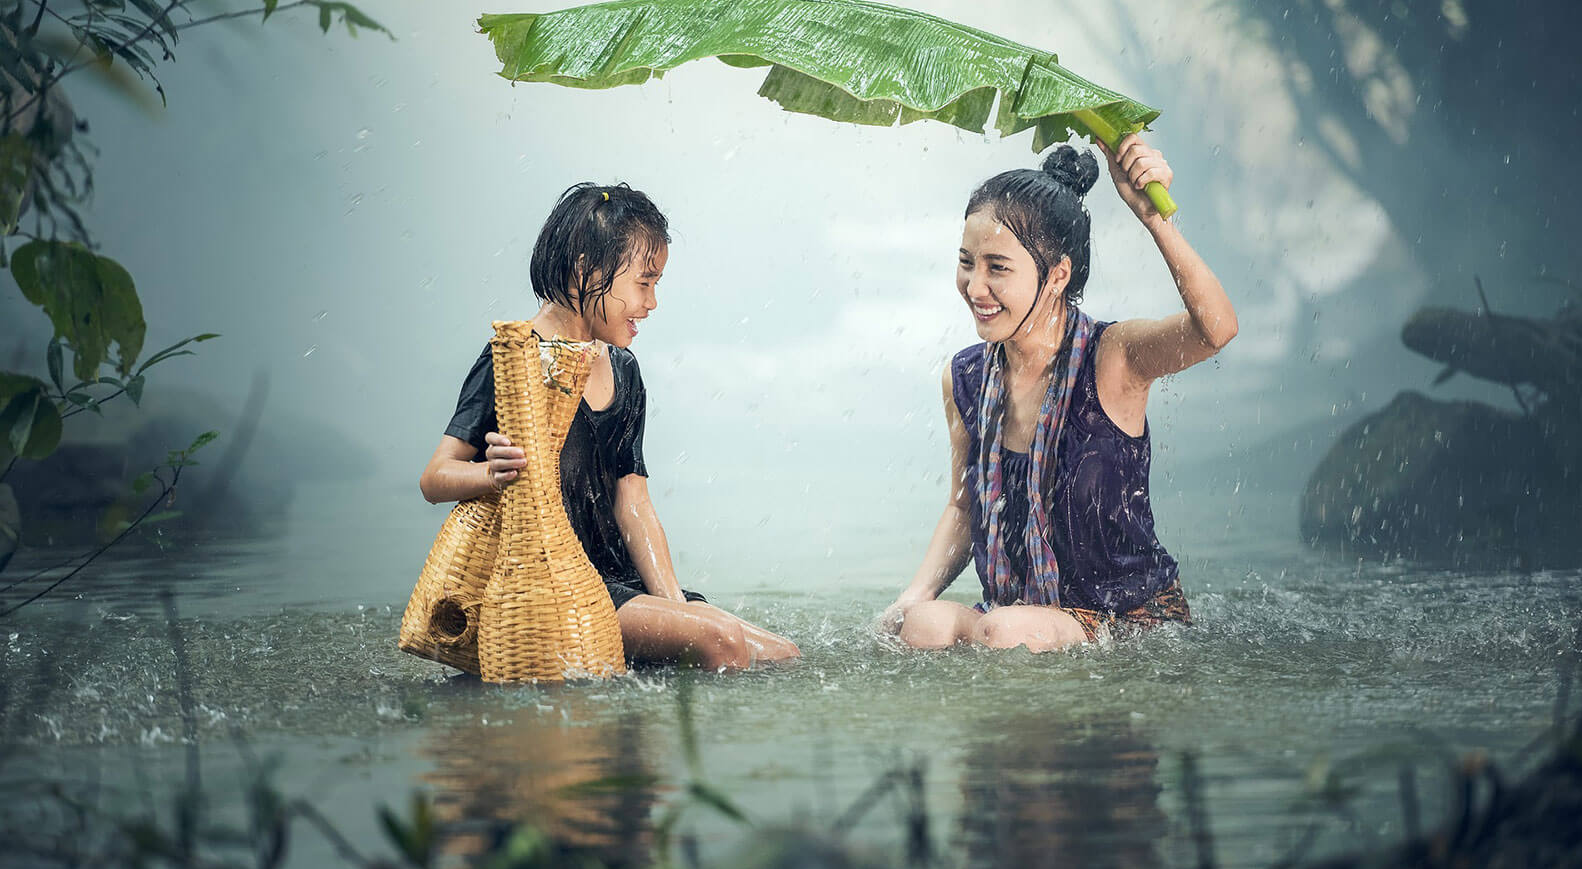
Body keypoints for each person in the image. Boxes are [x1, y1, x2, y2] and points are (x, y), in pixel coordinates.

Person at [420, 182, 800, 671]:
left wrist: (675, 607)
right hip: (560, 587)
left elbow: (633, 503)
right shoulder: (515, 361)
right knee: (722, 641)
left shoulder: (623, 369)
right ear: (586, 269)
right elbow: (435, 478)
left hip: (621, 581)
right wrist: (489, 475)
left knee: (779, 654)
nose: (653, 302)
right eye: (644, 283)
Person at [879, 136, 1237, 652]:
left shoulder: (1113, 360)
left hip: (1129, 620)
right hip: (1018, 615)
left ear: (1057, 275)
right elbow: (964, 506)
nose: (974, 287)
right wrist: (914, 594)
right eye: (966, 262)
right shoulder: (966, 378)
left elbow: (1216, 329)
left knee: (1003, 631)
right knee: (924, 625)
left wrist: (1153, 218)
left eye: (997, 267)